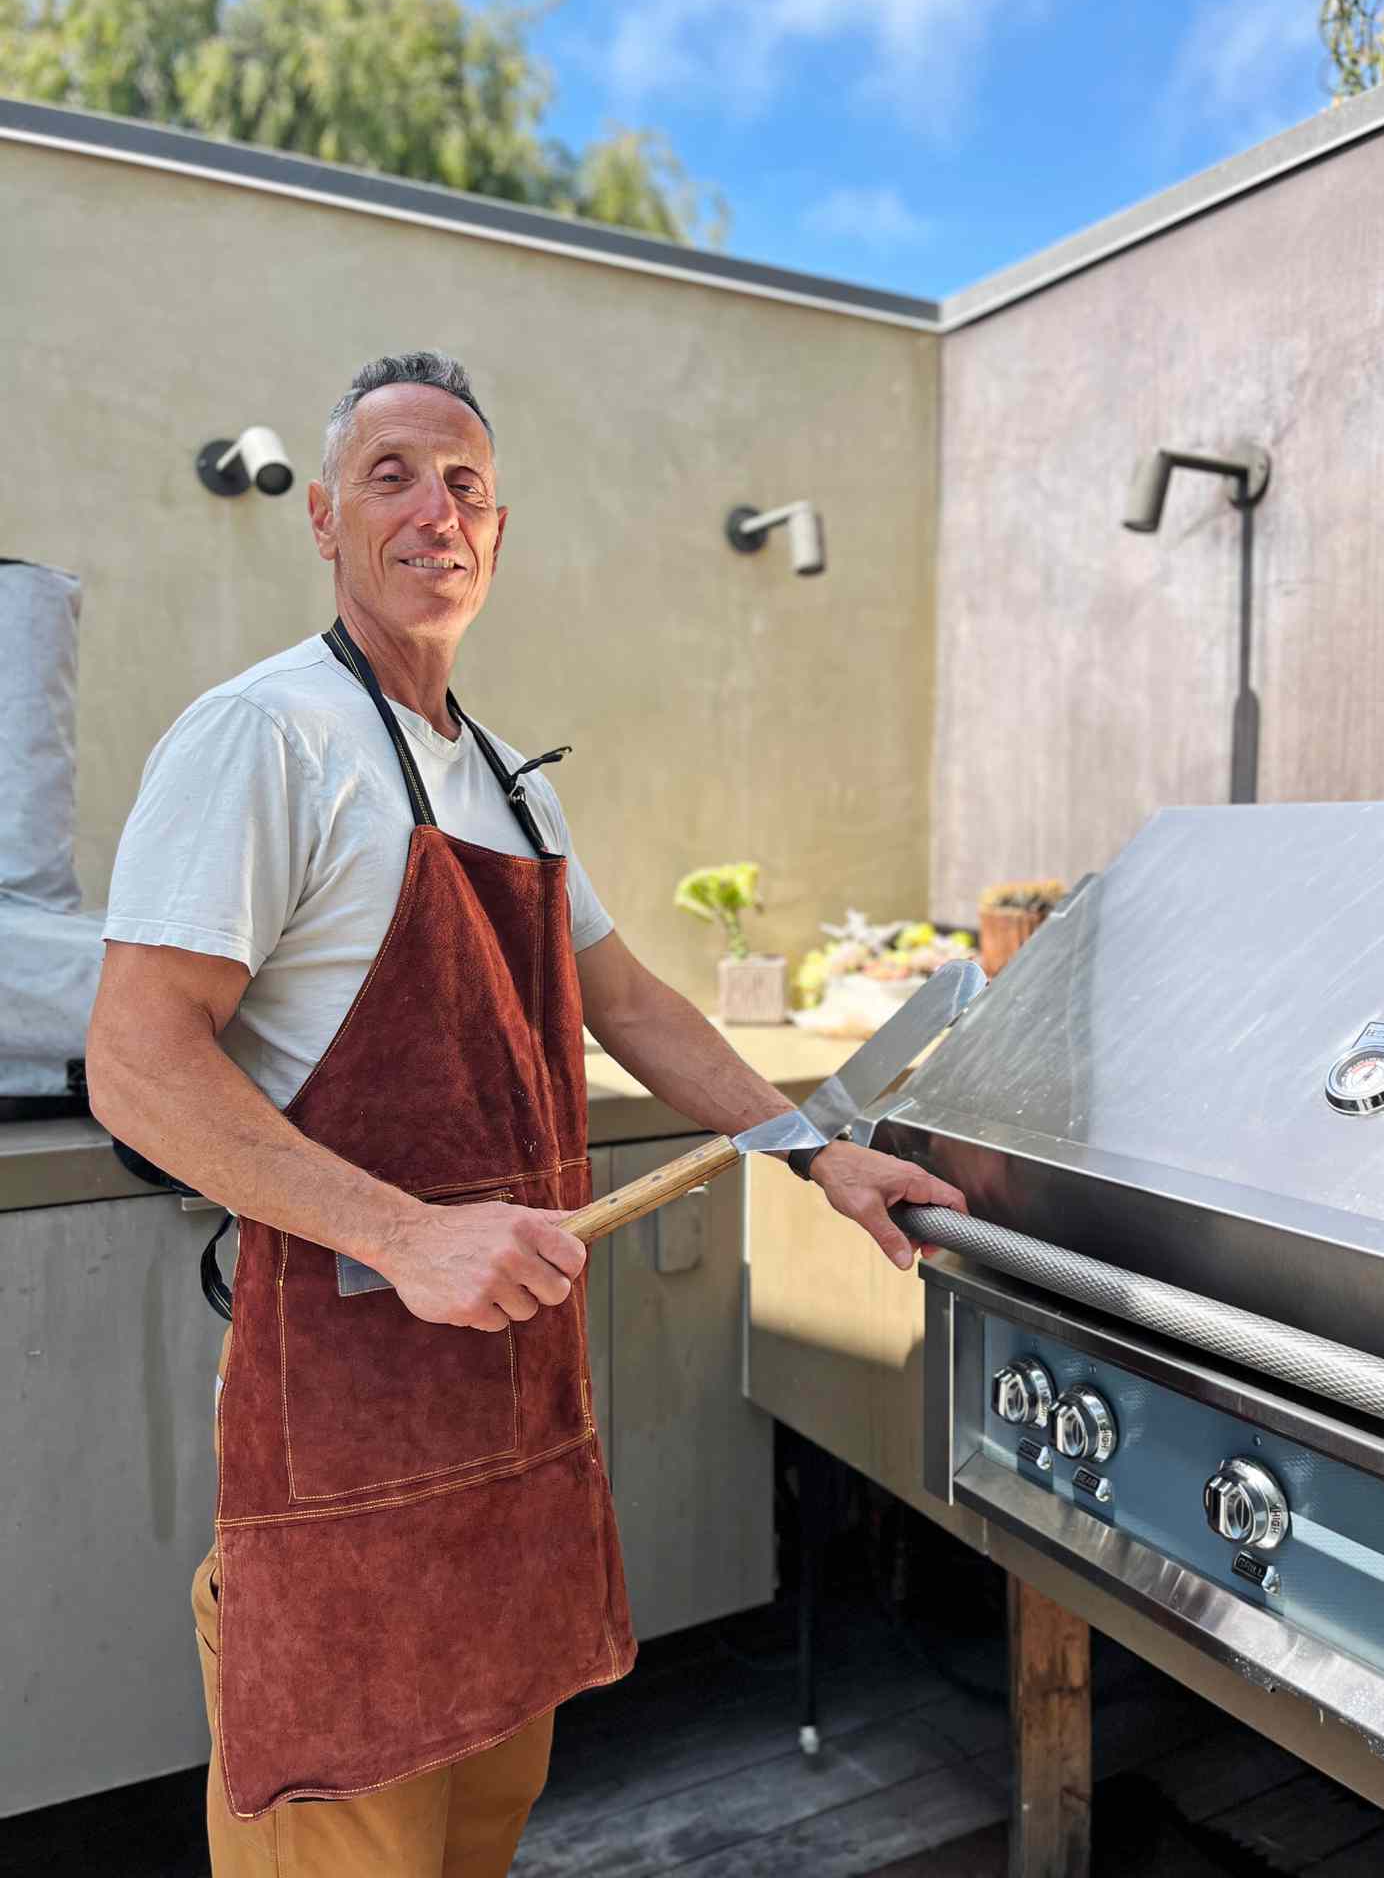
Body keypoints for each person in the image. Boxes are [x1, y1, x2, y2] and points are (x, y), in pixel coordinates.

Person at [86, 350, 968, 1877]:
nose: (439, 511)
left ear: (500, 531)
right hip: (344, 1422)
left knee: (485, 1825)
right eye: (394, 476)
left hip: (512, 1431)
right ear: (320, 519)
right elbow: (140, 1064)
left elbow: (632, 1009)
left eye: (470, 486)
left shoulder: (508, 779)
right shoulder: (266, 737)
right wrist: (405, 1234)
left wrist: (818, 1151)